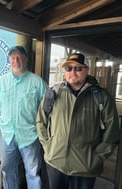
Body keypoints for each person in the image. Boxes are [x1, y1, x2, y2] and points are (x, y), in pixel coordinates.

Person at [36, 52, 120, 189]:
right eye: (69, 68)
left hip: (85, 167)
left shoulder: (101, 97)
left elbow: (112, 133)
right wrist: (48, 146)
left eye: (78, 68)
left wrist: (96, 158)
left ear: (86, 70)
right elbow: (41, 121)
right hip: (56, 162)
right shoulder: (53, 93)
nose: (73, 72)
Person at [0, 46, 48, 189]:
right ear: (9, 60)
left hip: (30, 135)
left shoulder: (37, 82)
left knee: (33, 173)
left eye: (19, 57)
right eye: (13, 57)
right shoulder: (1, 82)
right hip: (7, 134)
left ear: (26, 59)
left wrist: (43, 126)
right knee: (8, 170)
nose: (16, 60)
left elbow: (48, 105)